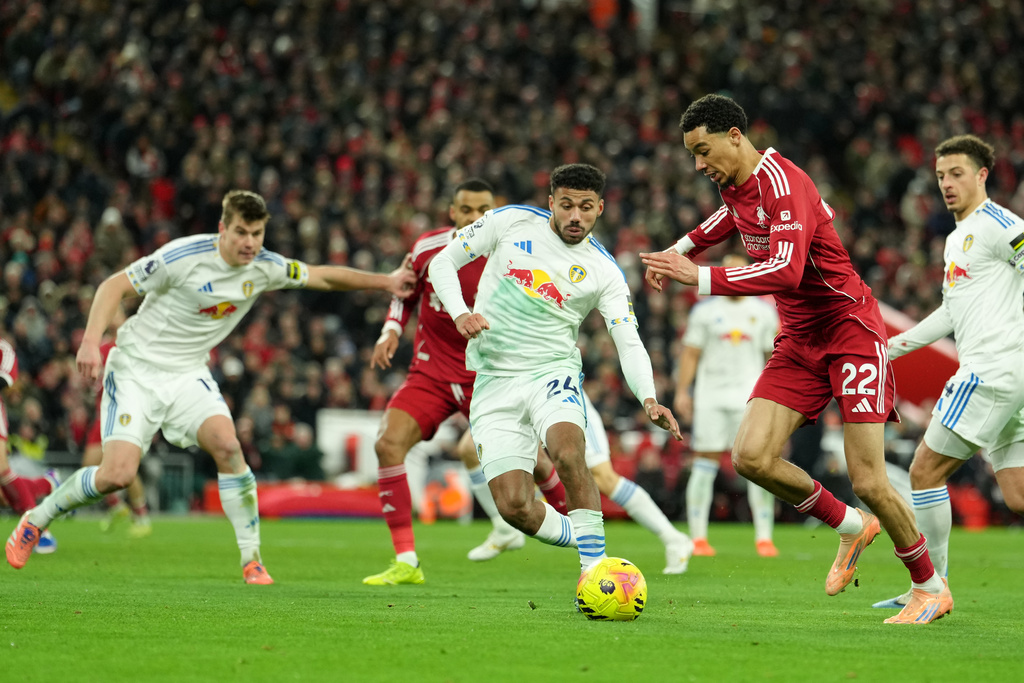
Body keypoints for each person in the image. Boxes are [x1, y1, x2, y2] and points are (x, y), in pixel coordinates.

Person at [639, 94, 951, 624]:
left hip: (850, 329)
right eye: (692, 153)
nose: (698, 164)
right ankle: (852, 526)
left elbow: (785, 271)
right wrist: (680, 250)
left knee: (871, 478)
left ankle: (929, 586)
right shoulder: (734, 184)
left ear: (735, 135)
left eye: (703, 149)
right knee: (750, 456)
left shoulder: (786, 184)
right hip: (801, 339)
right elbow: (725, 219)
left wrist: (701, 277)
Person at [5, 189, 416, 583]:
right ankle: (36, 519)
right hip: (136, 370)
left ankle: (252, 560)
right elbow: (114, 285)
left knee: (228, 445)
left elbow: (322, 277)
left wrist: (386, 282)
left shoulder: (266, 266)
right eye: (241, 232)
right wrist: (91, 342)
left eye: (257, 234)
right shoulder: (183, 257)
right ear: (223, 228)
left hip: (187, 373)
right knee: (116, 474)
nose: (249, 243)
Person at [428, 163, 682, 590]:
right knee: (515, 507)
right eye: (566, 205)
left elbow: (628, 341)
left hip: (552, 372)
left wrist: (649, 398)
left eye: (585, 207)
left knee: (568, 451)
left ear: (599, 209)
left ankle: (594, 569)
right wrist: (461, 314)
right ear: (551, 203)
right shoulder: (510, 221)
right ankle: (587, 538)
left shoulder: (604, 272)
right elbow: (443, 262)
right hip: (494, 378)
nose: (575, 216)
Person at [363, 179, 570, 585]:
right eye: (467, 210)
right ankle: (406, 561)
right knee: (387, 443)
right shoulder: (427, 249)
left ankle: (586, 540)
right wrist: (389, 330)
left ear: (494, 212)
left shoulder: (516, 253)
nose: (475, 218)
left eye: (483, 210)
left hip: (492, 374)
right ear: (453, 213)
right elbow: (403, 292)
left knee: (537, 460)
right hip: (432, 373)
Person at [873, 135, 1024, 609]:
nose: (947, 184)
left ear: (983, 175)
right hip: (1007, 378)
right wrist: (888, 349)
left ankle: (932, 587)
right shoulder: (957, 238)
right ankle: (931, 585)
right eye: (941, 176)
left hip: (991, 371)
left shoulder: (1000, 224)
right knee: (1018, 496)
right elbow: (950, 314)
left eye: (957, 173)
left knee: (923, 471)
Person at [674, 254, 780, 557]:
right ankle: (698, 538)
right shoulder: (705, 311)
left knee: (757, 464)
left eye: (740, 272)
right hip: (711, 396)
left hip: (750, 397)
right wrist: (683, 390)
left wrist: (773, 396)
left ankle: (764, 537)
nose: (734, 277)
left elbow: (771, 357)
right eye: (729, 272)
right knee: (705, 462)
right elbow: (691, 353)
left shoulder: (763, 311)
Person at [0, 335, 58, 552]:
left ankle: (39, 531)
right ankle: (46, 484)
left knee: (2, 470)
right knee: (4, 495)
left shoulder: (3, 348)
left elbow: (5, 380)